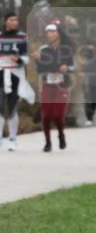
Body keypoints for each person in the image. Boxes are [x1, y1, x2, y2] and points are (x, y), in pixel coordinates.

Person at [0, 12, 34, 151]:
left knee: (11, 107)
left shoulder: (22, 37)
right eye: (12, 19)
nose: (15, 22)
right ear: (5, 21)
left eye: (16, 19)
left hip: (15, 74)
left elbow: (26, 58)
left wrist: (18, 59)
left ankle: (12, 139)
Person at [35, 22, 76, 151]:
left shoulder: (67, 49)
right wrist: (37, 60)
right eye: (48, 32)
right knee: (46, 116)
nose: (50, 34)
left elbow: (73, 66)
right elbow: (40, 69)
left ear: (59, 33)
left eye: (53, 31)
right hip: (47, 84)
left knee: (58, 116)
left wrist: (67, 67)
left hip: (62, 85)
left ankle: (61, 135)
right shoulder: (43, 49)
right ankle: (48, 142)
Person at [81, 43, 96, 126]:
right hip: (89, 81)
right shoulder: (85, 56)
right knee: (89, 100)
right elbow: (82, 67)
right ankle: (89, 118)